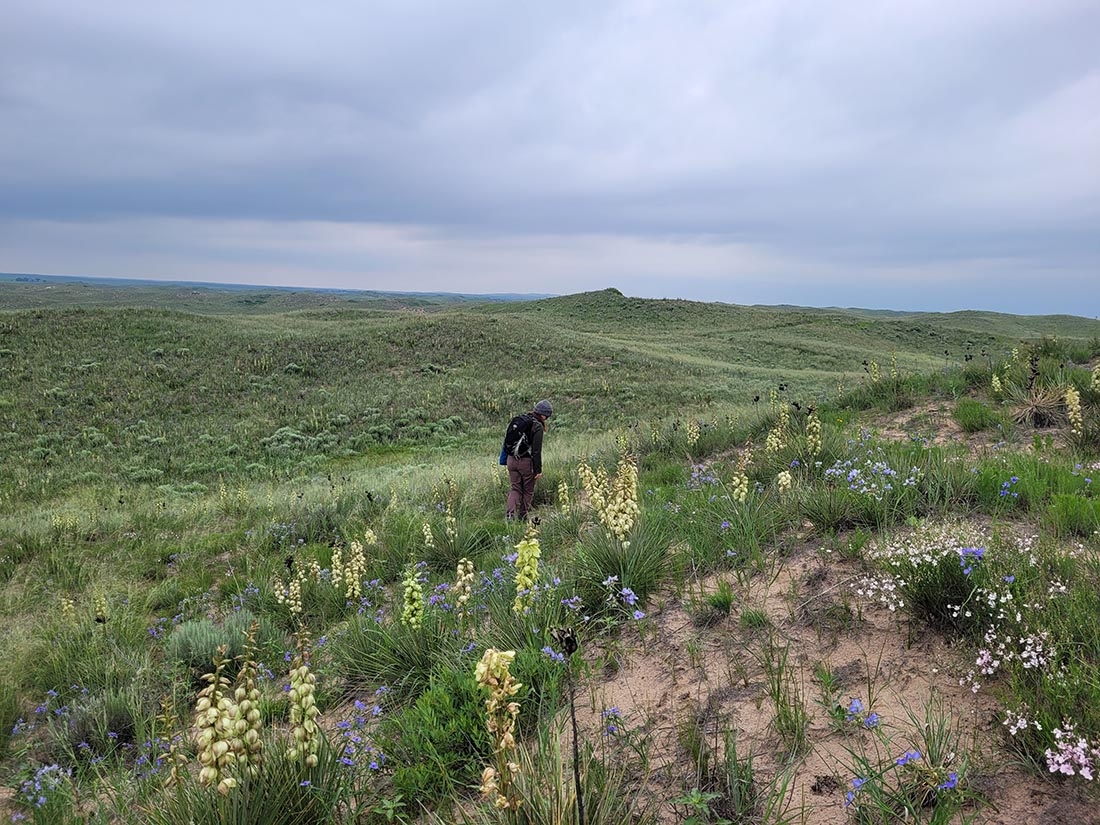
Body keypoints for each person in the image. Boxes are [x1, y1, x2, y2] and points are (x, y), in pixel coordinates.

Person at [506, 399, 553, 520]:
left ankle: (509, 516)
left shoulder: (519, 420)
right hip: (525, 462)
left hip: (511, 460)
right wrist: (538, 470)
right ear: (543, 415)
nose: (546, 419)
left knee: (515, 488)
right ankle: (522, 517)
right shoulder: (536, 426)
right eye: (546, 417)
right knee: (528, 490)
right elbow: (536, 451)